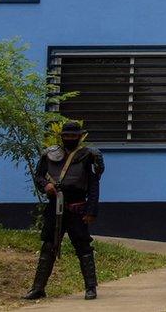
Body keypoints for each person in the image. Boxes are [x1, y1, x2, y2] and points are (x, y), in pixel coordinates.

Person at [23, 121, 105, 301]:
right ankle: (38, 288)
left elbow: (93, 185)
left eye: (73, 136)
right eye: (66, 136)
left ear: (79, 137)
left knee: (83, 246)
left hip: (77, 208)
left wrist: (91, 210)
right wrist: (46, 185)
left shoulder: (88, 156)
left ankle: (90, 287)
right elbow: (38, 176)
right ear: (62, 137)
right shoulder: (49, 155)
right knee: (48, 246)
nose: (70, 139)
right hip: (54, 206)